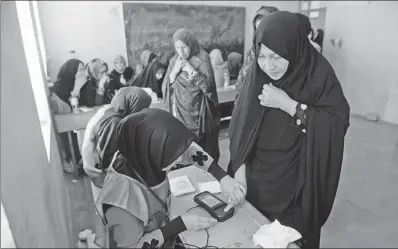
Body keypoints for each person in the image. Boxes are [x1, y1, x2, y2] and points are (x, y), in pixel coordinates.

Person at [228, 11, 350, 248]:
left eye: (276, 57)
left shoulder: (318, 75)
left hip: (295, 195)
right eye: (262, 56)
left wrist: (289, 105)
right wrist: (238, 169)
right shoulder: (257, 75)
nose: (268, 66)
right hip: (253, 188)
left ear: (293, 48)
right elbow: (239, 127)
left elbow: (336, 123)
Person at [92, 109, 245, 248]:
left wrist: (222, 177)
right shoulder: (120, 203)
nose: (181, 159)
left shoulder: (140, 155)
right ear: (150, 150)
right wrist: (179, 225)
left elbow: (190, 151)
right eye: (172, 154)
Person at [82, 87, 152, 201]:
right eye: (141, 108)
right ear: (132, 104)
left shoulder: (112, 108)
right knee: (114, 206)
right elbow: (110, 161)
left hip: (99, 163)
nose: (142, 112)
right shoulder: (114, 122)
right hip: (100, 172)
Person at [162, 28, 221, 163]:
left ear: (191, 44)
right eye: (177, 48)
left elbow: (209, 87)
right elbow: (166, 86)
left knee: (204, 152)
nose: (181, 52)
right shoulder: (174, 61)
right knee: (185, 152)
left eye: (184, 47)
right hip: (181, 115)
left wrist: (191, 70)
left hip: (200, 115)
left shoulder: (202, 58)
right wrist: (175, 71)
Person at [235, 6, 279, 96]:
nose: (261, 35)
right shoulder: (253, 51)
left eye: (265, 30)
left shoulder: (286, 53)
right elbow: (241, 82)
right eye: (258, 30)